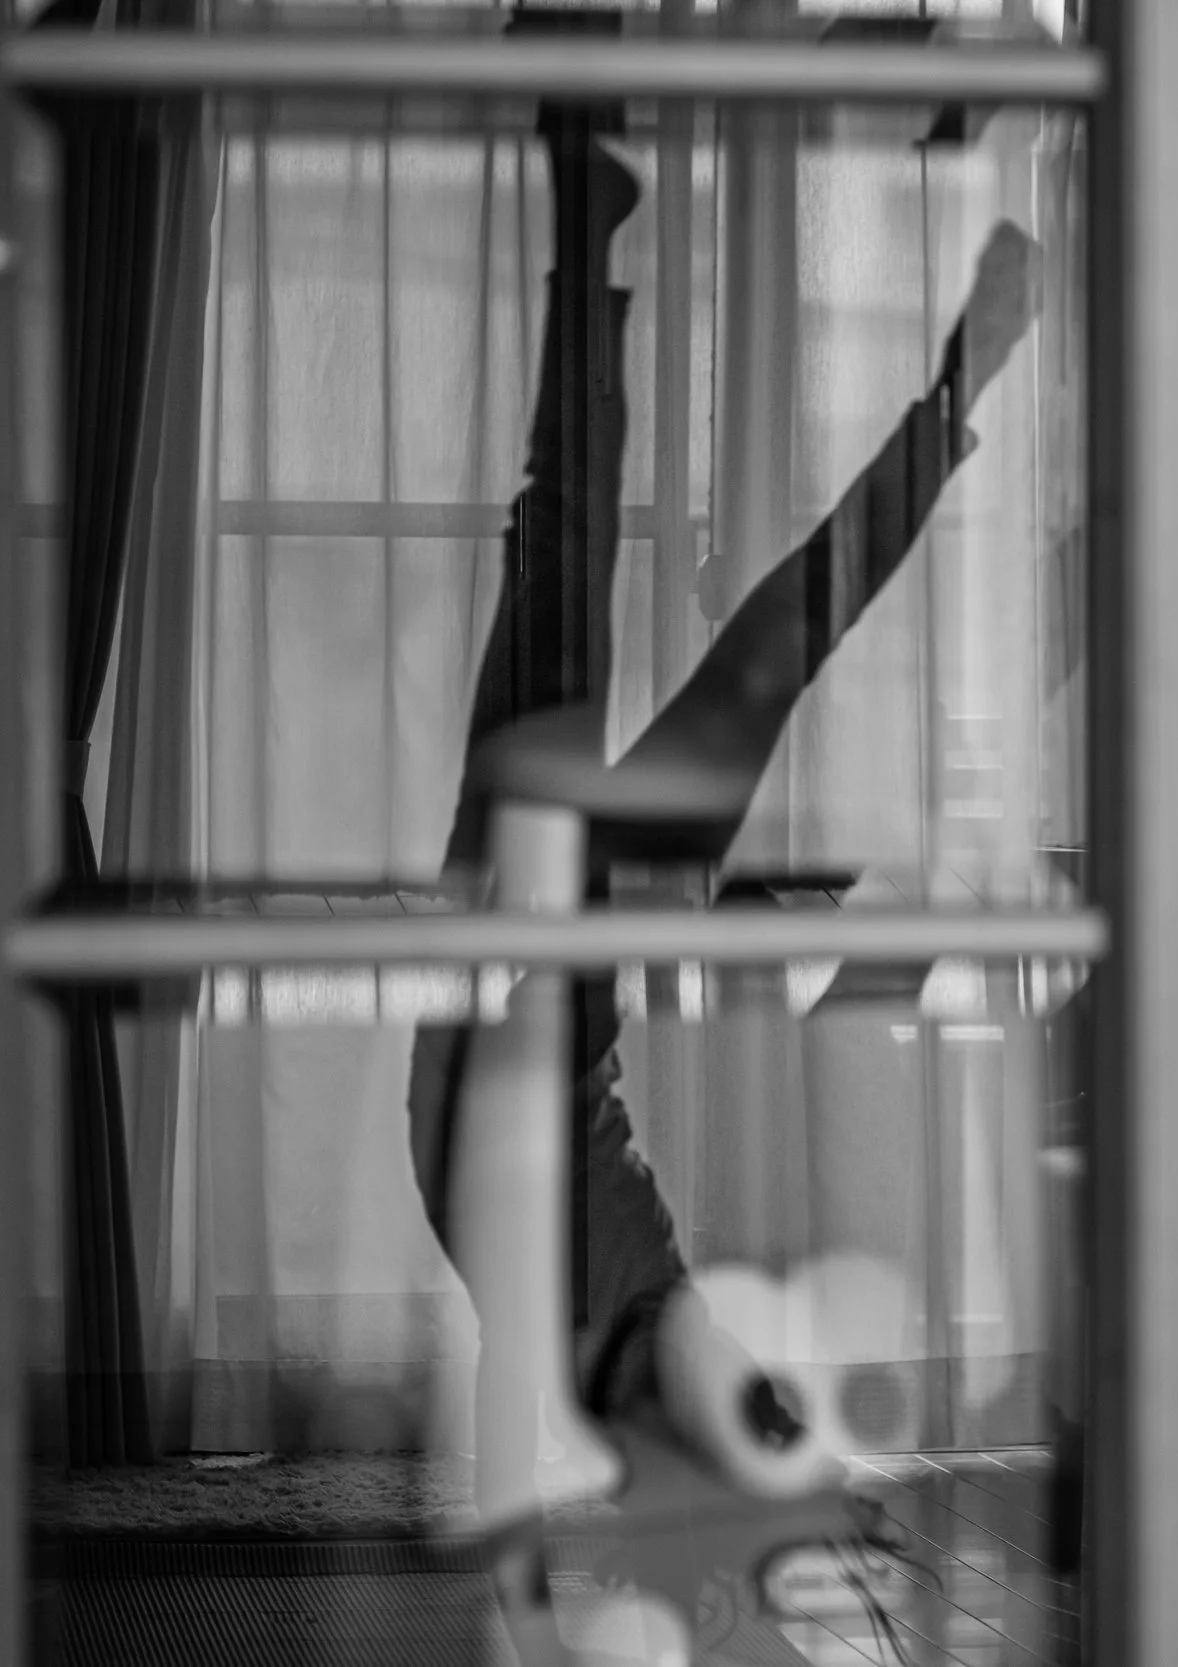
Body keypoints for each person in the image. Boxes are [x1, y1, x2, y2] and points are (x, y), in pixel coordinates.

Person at [405, 98, 1044, 1441]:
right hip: (548, 966)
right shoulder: (640, 1322)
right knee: (686, 595)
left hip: (523, 963)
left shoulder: (591, 1355)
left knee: (592, 554)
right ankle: (601, 212)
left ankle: (595, 213)